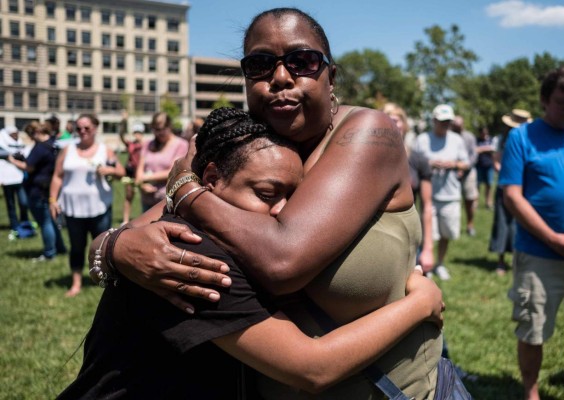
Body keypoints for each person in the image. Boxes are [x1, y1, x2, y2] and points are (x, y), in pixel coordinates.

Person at [91, 8, 449, 399]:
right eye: (260, 65)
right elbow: (128, 234)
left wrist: (189, 193)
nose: (280, 77)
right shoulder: (238, 147)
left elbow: (283, 261)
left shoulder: (366, 133)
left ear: (331, 76)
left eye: (303, 61)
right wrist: (116, 248)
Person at [59, 107, 444, 399]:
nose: (282, 211)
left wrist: (111, 245)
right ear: (210, 179)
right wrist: (421, 304)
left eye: (293, 199)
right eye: (266, 194)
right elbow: (313, 367)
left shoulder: (224, 231)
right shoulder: (192, 254)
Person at [499, 66, 564, 400]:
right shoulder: (522, 137)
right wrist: (554, 239)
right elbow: (512, 195)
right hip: (539, 254)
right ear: (544, 100)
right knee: (533, 330)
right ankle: (531, 392)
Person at [49, 114, 125, 297]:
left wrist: (110, 170)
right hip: (73, 208)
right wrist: (52, 200)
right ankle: (76, 283)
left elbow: (121, 172)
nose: (82, 131)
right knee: (77, 246)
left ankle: (107, 281)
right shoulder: (68, 149)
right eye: (79, 128)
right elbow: (57, 176)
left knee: (103, 248)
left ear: (95, 128)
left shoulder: (104, 150)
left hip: (99, 207)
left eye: (87, 128)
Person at [413, 104, 470, 281]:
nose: (445, 125)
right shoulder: (422, 139)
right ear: (434, 121)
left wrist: (452, 164)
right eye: (442, 122)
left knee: (446, 234)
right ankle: (425, 266)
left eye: (448, 122)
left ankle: (440, 263)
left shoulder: (457, 140)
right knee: (427, 234)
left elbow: (465, 163)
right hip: (427, 195)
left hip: (451, 194)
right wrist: (430, 164)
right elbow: (412, 164)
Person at [383, 102, 434, 274]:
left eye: (396, 120)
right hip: (378, 236)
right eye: (386, 119)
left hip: (410, 237)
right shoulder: (369, 160)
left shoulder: (418, 160)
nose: (392, 124)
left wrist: (428, 248)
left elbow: (427, 207)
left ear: (404, 125)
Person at [8, 121, 67, 261]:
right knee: (51, 222)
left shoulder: (40, 148)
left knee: (45, 222)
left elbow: (29, 167)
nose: (31, 138)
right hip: (49, 188)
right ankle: (60, 248)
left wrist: (12, 161)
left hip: (38, 190)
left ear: (36, 133)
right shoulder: (53, 144)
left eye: (31, 135)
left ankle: (49, 253)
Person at [488, 109, 532, 276]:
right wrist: (510, 174)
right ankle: (500, 259)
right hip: (504, 187)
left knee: (518, 224)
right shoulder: (502, 140)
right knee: (502, 223)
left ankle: (516, 259)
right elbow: (497, 163)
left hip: (524, 189)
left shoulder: (529, 140)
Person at [136, 112, 188, 212]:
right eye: (155, 129)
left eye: (161, 129)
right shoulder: (148, 144)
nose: (158, 133)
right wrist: (142, 185)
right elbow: (139, 169)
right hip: (147, 199)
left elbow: (173, 171)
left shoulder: (181, 144)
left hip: (167, 200)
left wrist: (146, 177)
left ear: (169, 126)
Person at [0, 125, 31, 237]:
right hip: (7, 180)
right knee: (11, 204)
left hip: (19, 178)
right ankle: (14, 225)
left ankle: (25, 222)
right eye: (13, 134)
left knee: (23, 202)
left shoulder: (19, 142)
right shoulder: (2, 144)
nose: (16, 135)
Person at [450, 115, 478, 236]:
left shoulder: (469, 137)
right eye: (455, 126)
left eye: (459, 126)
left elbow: (473, 155)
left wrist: (464, 167)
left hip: (468, 172)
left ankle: (470, 224)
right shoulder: (449, 136)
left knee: (469, 200)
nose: (457, 128)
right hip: (452, 171)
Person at [118, 113, 144, 224]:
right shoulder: (130, 144)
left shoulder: (146, 145)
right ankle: (125, 220)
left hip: (142, 172)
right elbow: (121, 135)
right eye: (135, 132)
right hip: (130, 171)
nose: (136, 135)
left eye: (139, 132)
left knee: (145, 197)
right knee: (128, 196)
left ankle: (145, 218)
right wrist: (124, 122)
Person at [475, 126, 495, 210]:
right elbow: (475, 150)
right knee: (477, 185)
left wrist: (481, 149)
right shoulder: (476, 140)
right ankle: (475, 203)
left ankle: (488, 203)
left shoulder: (491, 140)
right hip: (479, 166)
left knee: (489, 185)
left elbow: (493, 148)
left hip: (489, 165)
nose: (485, 134)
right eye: (483, 133)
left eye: (486, 133)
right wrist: (486, 149)